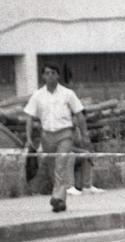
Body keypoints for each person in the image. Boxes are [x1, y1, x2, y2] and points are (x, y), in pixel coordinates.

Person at [24, 64, 89, 213]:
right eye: (47, 73)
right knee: (52, 167)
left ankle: (57, 197)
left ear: (58, 75)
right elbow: (29, 117)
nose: (50, 76)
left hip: (64, 134)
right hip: (47, 135)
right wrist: (28, 138)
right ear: (43, 76)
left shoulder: (68, 94)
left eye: (53, 73)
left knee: (60, 164)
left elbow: (79, 114)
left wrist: (85, 135)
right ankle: (61, 200)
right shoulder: (38, 95)